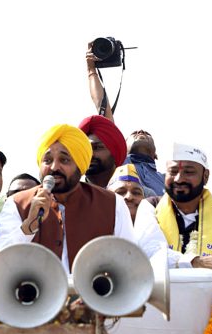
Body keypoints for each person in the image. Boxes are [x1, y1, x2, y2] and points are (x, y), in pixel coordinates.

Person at [0, 123, 134, 273]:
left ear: (80, 165)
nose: (54, 167)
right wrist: (28, 226)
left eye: (64, 160)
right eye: (48, 160)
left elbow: (129, 262)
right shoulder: (18, 203)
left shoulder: (112, 203)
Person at [85, 42, 165, 196]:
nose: (140, 131)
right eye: (133, 133)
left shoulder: (167, 178)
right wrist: (91, 70)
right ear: (120, 147)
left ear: (155, 154)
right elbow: (103, 112)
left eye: (146, 134)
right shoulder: (118, 165)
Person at [152, 143, 212, 272]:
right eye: (173, 172)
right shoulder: (150, 207)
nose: (179, 179)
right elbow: (149, 252)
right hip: (161, 291)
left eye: (189, 172)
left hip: (211, 291)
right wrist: (197, 262)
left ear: (205, 176)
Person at [108, 164, 167, 260]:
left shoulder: (159, 230)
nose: (129, 197)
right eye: (120, 192)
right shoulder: (99, 230)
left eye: (136, 193)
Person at [78, 114, 127, 189]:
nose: (89, 154)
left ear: (114, 153)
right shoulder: (67, 194)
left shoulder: (137, 194)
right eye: (85, 149)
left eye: (97, 147)